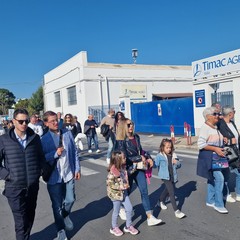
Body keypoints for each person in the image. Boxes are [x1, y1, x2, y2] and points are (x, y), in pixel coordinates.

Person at [0, 108, 45, 240]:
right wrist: (7, 175)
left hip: (32, 186)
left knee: (29, 217)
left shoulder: (35, 138)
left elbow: (40, 157)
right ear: (14, 121)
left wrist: (39, 172)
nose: (24, 124)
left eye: (26, 121)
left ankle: (26, 237)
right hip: (14, 188)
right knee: (20, 221)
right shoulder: (3, 140)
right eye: (21, 121)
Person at [114, 119, 162, 226]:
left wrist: (148, 157)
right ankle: (120, 207)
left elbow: (141, 150)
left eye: (132, 124)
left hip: (139, 168)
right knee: (126, 191)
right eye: (128, 124)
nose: (131, 126)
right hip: (128, 170)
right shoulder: (121, 140)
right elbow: (124, 157)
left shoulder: (136, 137)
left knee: (144, 191)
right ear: (123, 126)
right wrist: (139, 157)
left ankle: (150, 217)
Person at [41, 111, 81, 240]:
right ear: (46, 123)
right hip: (54, 177)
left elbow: (74, 152)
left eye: (56, 120)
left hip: (69, 174)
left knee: (70, 199)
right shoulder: (44, 139)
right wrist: (55, 153)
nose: (55, 123)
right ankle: (61, 231)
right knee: (57, 205)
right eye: (52, 121)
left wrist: (77, 169)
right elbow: (41, 159)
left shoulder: (67, 134)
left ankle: (65, 215)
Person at [197, 107, 230, 214]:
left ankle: (210, 200)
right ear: (208, 116)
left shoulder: (215, 127)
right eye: (215, 114)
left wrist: (223, 139)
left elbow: (215, 140)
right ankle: (218, 204)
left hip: (218, 158)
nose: (217, 115)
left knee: (212, 179)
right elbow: (201, 144)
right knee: (219, 178)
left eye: (218, 113)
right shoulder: (205, 128)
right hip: (210, 158)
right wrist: (215, 148)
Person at [107, 151, 139, 236]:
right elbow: (109, 184)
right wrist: (119, 187)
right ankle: (114, 227)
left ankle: (128, 226)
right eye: (124, 158)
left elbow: (128, 173)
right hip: (115, 194)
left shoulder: (123, 167)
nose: (125, 159)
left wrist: (134, 166)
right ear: (118, 160)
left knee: (129, 208)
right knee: (116, 211)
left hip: (124, 192)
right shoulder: (112, 171)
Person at [154, 138, 186, 219]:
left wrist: (177, 162)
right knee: (171, 192)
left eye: (170, 147)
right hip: (165, 176)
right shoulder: (159, 156)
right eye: (167, 148)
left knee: (167, 190)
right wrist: (149, 163)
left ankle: (160, 201)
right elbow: (155, 164)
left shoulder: (173, 155)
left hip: (172, 176)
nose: (169, 149)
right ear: (162, 147)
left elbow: (179, 165)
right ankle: (176, 211)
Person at [217, 106, 240, 202]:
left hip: (236, 151)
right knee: (226, 174)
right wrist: (231, 141)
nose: (234, 113)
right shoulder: (220, 125)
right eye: (234, 111)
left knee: (238, 173)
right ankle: (227, 194)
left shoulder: (232, 123)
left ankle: (238, 194)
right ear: (230, 113)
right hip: (228, 152)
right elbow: (220, 139)